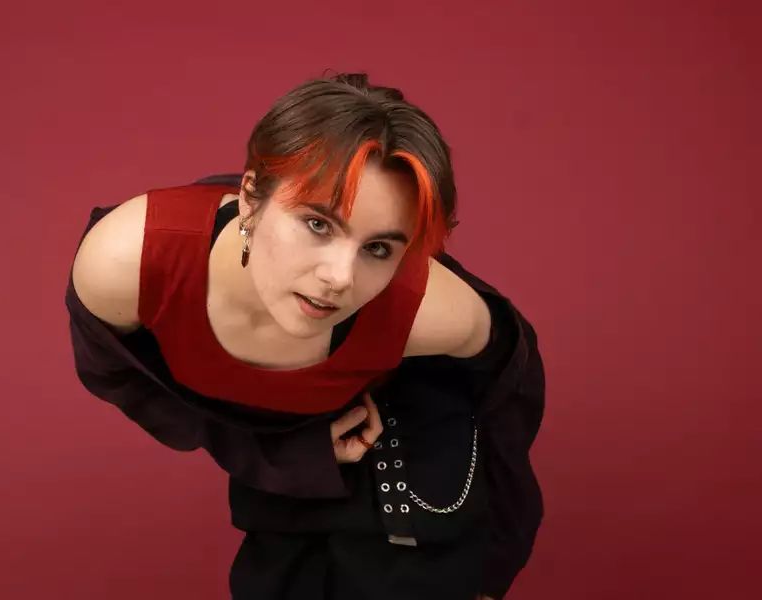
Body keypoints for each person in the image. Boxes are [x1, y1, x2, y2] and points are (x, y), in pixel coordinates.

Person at [65, 73, 545, 600]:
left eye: (379, 248)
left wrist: (493, 565)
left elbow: (510, 378)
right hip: (295, 467)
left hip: (411, 442)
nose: (340, 278)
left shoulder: (424, 307)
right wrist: (280, 453)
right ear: (250, 197)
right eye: (318, 225)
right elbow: (126, 381)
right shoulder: (131, 264)